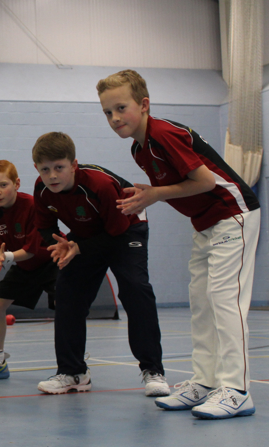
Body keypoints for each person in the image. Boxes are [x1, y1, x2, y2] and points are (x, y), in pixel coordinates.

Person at [98, 69, 261, 419]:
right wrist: (150, 193)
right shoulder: (139, 149)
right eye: (107, 112)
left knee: (224, 300)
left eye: (121, 108)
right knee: (201, 302)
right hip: (204, 223)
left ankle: (236, 389)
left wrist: (155, 194)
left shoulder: (163, 134)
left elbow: (205, 181)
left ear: (144, 105)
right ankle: (205, 381)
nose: (114, 118)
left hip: (233, 214)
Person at [31, 132, 169, 397]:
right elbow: (45, 226)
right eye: (45, 169)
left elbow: (116, 233)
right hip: (87, 234)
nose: (52, 176)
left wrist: (80, 247)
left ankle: (153, 370)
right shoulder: (42, 189)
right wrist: (59, 243)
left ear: (74, 165)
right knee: (67, 293)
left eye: (59, 167)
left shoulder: (100, 185)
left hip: (127, 228)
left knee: (135, 288)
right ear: (37, 169)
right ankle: (73, 372)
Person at [0, 160, 58, 381]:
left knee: (67, 307)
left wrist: (4, 257)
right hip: (24, 265)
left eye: (3, 185)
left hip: (52, 262)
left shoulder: (32, 205)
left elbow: (31, 250)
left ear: (17, 184)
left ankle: (73, 364)